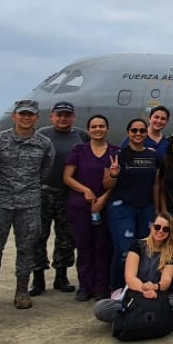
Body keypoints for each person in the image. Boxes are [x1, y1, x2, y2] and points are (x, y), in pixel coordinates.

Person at [0, 99, 54, 313]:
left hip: (29, 203)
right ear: (14, 116)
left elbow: (45, 170)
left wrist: (28, 188)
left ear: (36, 118)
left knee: (26, 248)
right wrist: (2, 187)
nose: (26, 118)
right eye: (22, 114)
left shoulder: (43, 144)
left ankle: (21, 291)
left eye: (30, 115)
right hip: (0, 203)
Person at [62, 114, 119, 301]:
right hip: (80, 206)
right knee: (84, 246)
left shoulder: (115, 152)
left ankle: (101, 286)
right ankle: (85, 286)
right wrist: (85, 190)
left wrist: (104, 197)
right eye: (94, 126)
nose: (98, 129)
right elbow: (67, 177)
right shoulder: (79, 150)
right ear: (89, 130)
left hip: (105, 206)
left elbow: (117, 180)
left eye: (101, 126)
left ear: (107, 129)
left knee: (103, 247)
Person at [33, 101, 87, 296]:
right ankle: (37, 278)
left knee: (66, 238)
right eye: (59, 115)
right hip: (44, 192)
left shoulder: (81, 136)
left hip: (68, 193)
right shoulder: (41, 135)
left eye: (67, 115)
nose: (63, 118)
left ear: (73, 117)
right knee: (38, 236)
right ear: (52, 116)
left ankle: (61, 276)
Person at [92, 213, 173, 322]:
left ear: (170, 232)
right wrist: (144, 290)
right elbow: (130, 278)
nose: (160, 231)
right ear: (151, 226)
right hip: (135, 293)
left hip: (157, 295)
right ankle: (151, 316)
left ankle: (133, 317)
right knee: (101, 308)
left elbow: (166, 281)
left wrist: (154, 287)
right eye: (157, 227)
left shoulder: (171, 252)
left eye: (165, 229)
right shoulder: (138, 245)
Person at [102, 118, 160, 290]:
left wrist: (157, 209)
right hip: (123, 207)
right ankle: (117, 288)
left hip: (146, 208)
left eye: (142, 131)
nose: (138, 134)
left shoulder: (153, 155)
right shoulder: (118, 156)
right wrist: (113, 174)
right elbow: (107, 185)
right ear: (128, 133)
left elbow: (156, 184)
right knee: (125, 250)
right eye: (134, 130)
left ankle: (138, 288)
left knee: (145, 250)